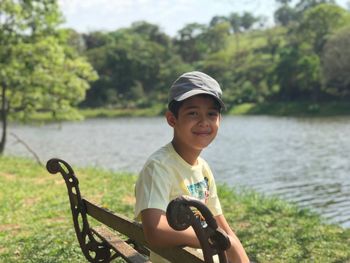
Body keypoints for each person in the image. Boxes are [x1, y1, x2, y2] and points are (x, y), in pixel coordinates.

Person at [134, 71, 249, 263]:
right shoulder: (159, 167)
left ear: (219, 120)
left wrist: (230, 243)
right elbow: (155, 231)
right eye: (193, 113)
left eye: (211, 114)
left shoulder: (203, 168)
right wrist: (208, 238)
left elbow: (222, 227)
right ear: (172, 119)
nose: (204, 122)